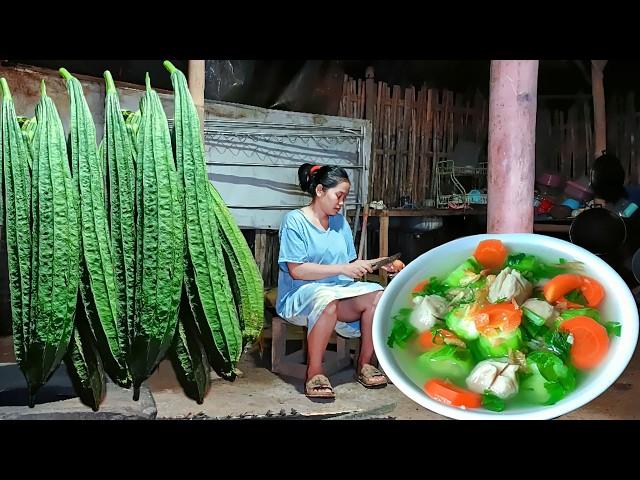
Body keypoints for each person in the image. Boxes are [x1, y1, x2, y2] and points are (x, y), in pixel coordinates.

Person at [276, 163, 404, 399]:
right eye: (339, 195)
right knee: (328, 300)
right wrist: (344, 268)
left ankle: (365, 363)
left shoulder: (339, 222)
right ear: (320, 191)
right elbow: (297, 271)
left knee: (378, 293)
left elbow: (349, 266)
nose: (341, 202)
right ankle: (314, 372)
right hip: (301, 294)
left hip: (339, 291)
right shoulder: (294, 221)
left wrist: (380, 262)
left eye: (345, 197)